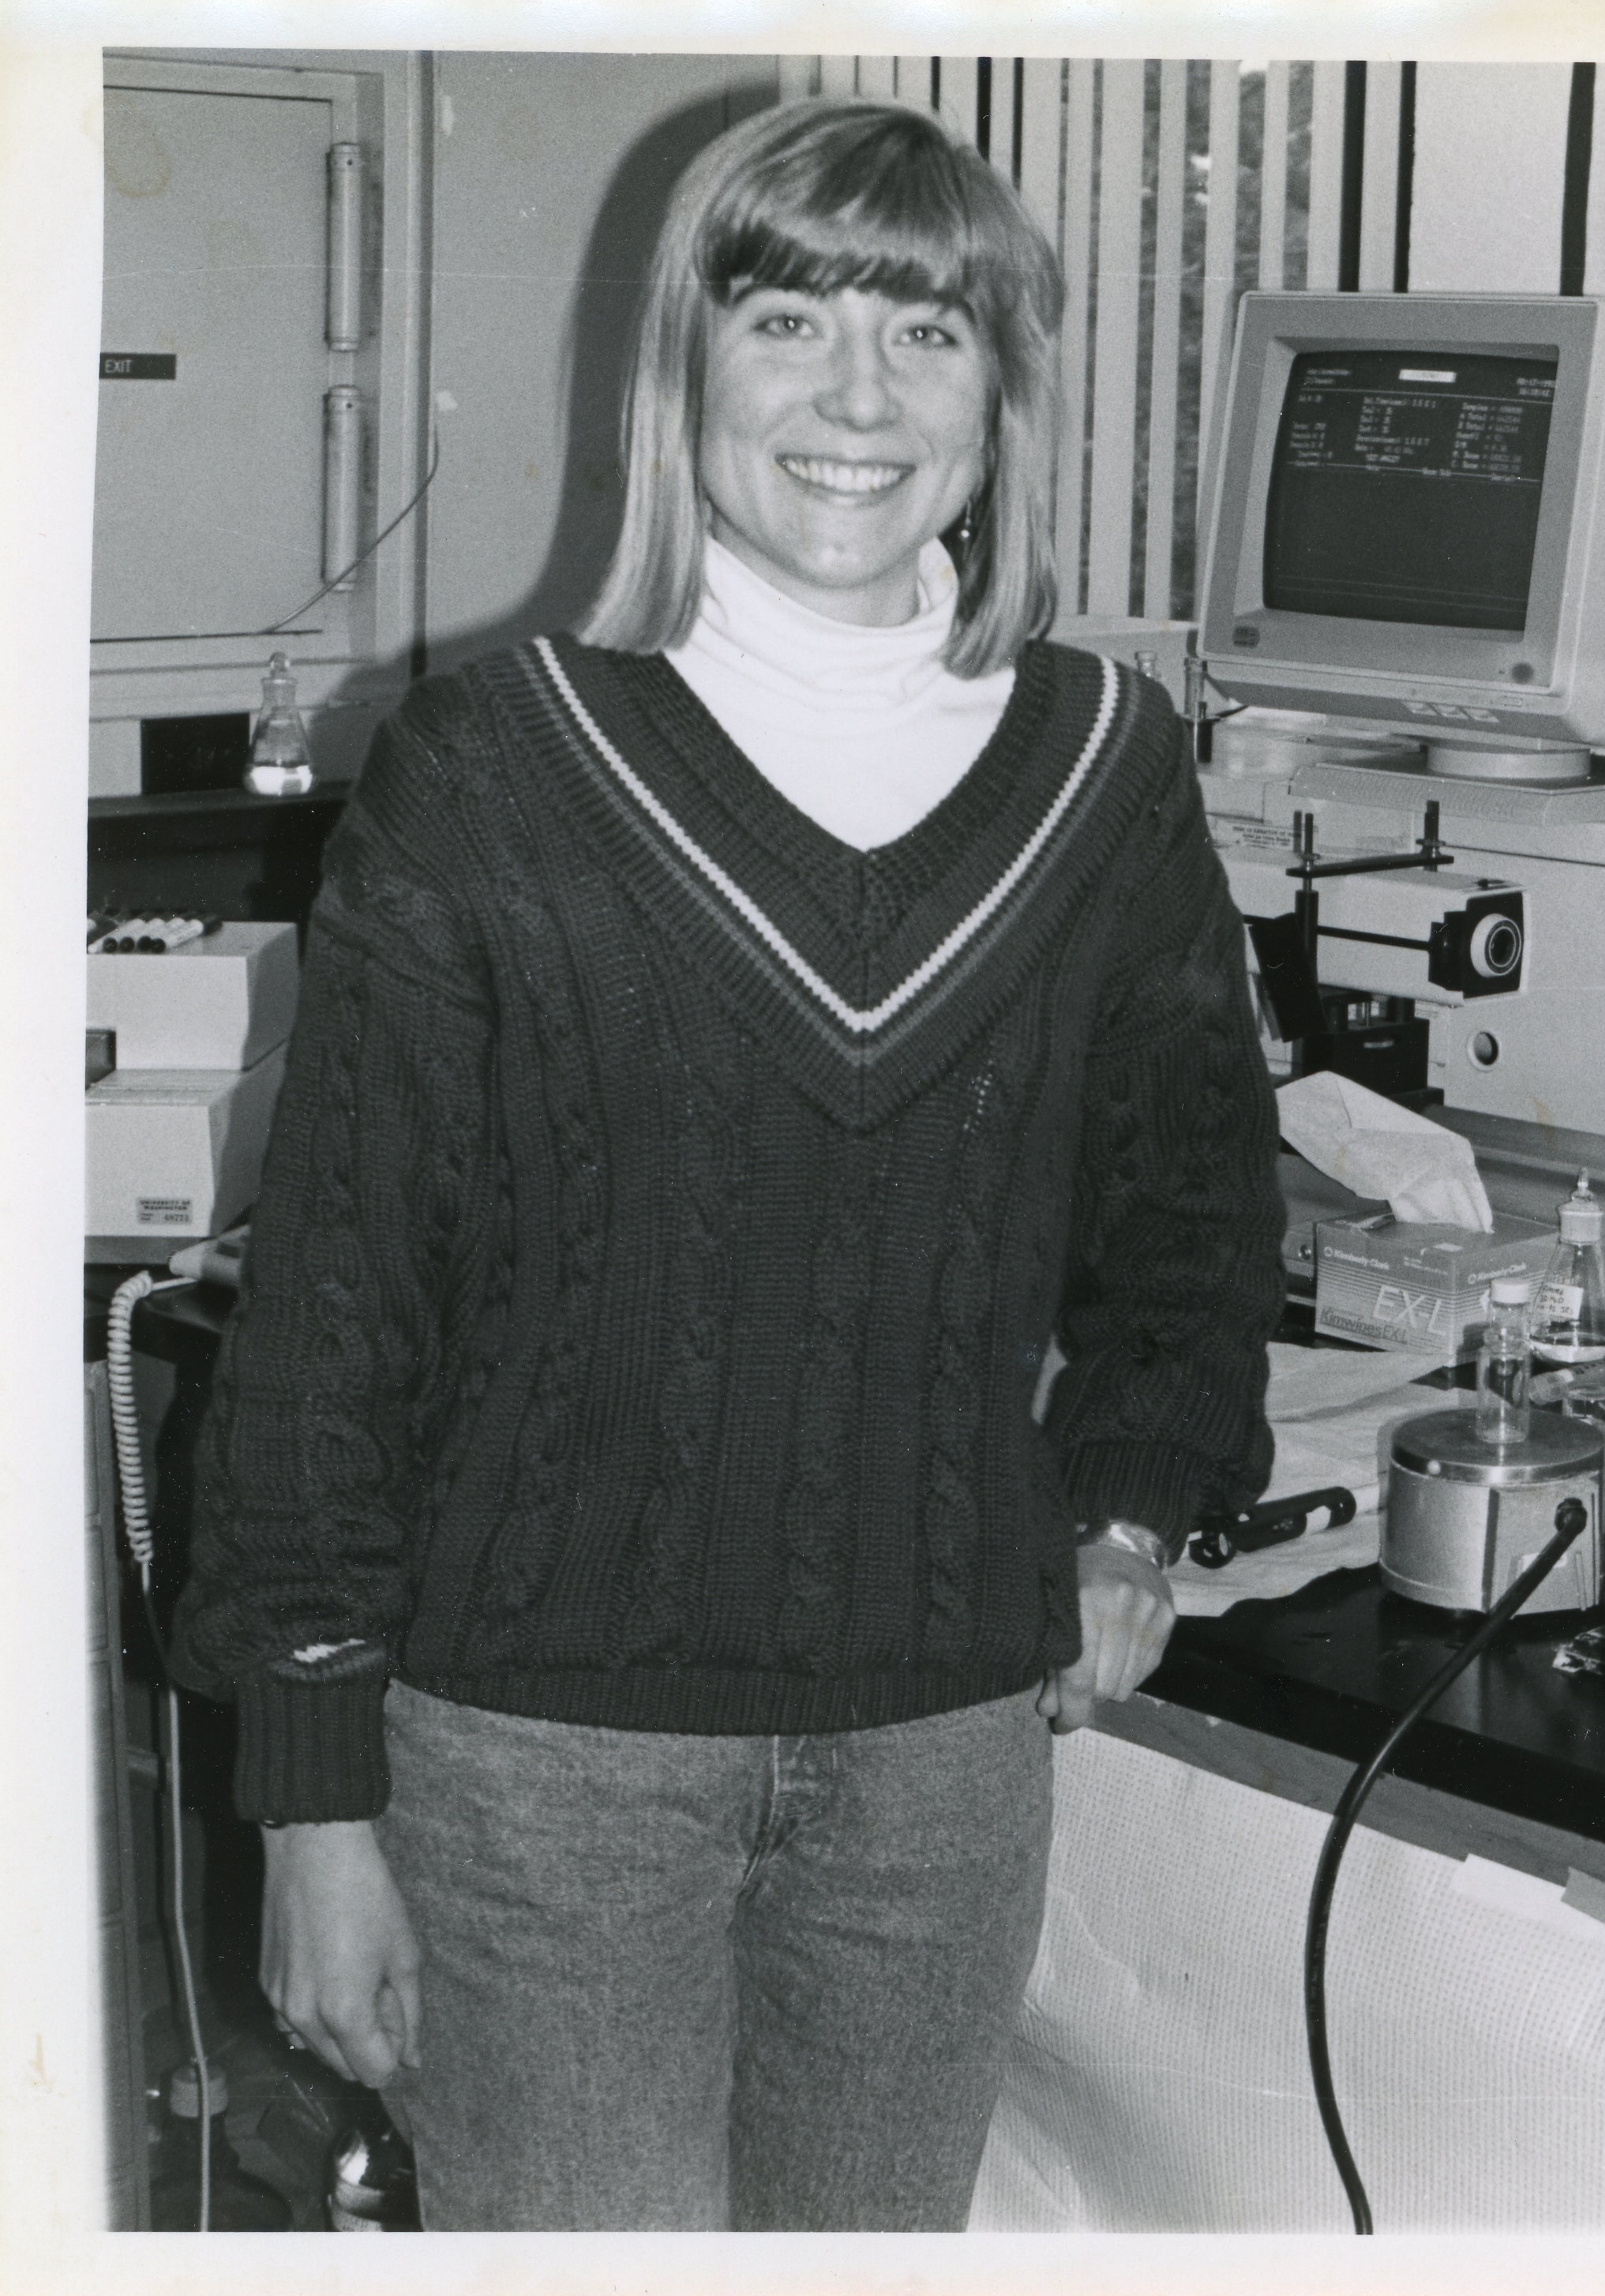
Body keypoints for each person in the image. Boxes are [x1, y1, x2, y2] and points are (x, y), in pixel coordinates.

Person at [171, 98, 1283, 2232]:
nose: (858, 399)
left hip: (946, 1758)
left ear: (1001, 397)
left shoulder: (1106, 770)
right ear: (688, 370)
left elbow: (1195, 1217)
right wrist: (317, 1804)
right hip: (542, 1767)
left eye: (931, 336)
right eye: (792, 321)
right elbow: (330, 1316)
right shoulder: (492, 767)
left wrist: (1136, 1498)